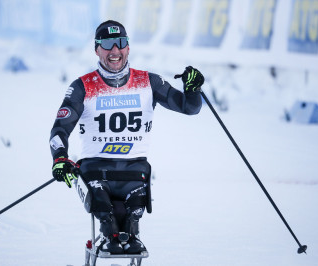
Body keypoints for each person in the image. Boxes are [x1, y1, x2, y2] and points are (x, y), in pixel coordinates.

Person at [49, 20, 204, 254]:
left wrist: (193, 89)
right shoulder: (83, 87)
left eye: (120, 43)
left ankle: (128, 233)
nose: (115, 51)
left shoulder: (148, 82)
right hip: (95, 171)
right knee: (106, 218)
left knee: (132, 222)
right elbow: (60, 130)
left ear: (128, 47)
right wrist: (59, 158)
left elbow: (189, 107)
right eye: (108, 44)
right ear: (96, 49)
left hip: (134, 171)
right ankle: (108, 233)